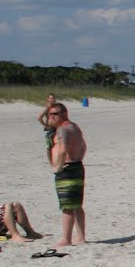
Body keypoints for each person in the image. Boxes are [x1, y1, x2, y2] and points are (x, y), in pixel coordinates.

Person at [47, 101, 87, 246]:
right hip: (77, 166)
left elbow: (63, 149)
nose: (52, 117)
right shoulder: (75, 127)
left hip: (68, 169)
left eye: (55, 114)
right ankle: (81, 237)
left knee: (67, 206)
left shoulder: (63, 130)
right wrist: (78, 159)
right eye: (50, 114)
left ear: (64, 114)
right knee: (76, 204)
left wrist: (58, 166)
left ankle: (66, 238)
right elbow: (83, 146)